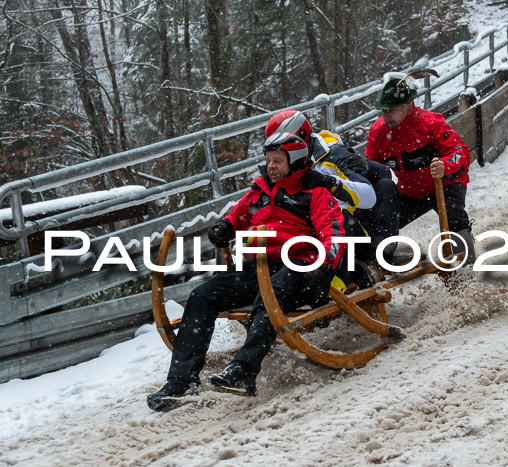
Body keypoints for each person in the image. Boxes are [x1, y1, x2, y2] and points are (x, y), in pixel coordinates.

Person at [147, 132, 346, 412]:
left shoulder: (314, 192)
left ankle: (244, 370)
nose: (271, 166)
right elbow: (237, 216)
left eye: (278, 161)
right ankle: (182, 380)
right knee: (202, 295)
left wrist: (324, 267)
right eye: (268, 161)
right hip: (258, 264)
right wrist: (224, 227)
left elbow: (333, 233)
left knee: (270, 295)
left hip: (299, 266)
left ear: (296, 161)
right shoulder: (260, 191)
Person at [265, 110, 400, 263]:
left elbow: (368, 196)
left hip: (351, 227)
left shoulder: (335, 154)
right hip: (315, 233)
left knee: (383, 187)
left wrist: (330, 183)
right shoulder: (278, 167)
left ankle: (377, 256)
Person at [363, 77, 475, 261]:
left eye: (392, 110)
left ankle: (467, 265)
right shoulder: (378, 133)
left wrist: (445, 166)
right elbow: (373, 168)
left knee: (454, 216)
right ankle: (384, 258)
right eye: (384, 111)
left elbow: (460, 152)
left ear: (407, 106)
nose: (387, 116)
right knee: (384, 218)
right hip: (411, 190)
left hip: (446, 182)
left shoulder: (431, 123)